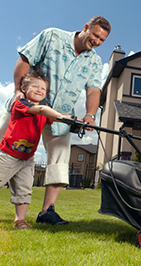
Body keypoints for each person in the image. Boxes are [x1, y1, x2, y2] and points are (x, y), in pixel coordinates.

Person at [3, 16, 111, 225]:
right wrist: (18, 90)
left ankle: (47, 212)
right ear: (86, 28)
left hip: (60, 116)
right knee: (2, 140)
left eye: (102, 40)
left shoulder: (94, 61)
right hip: (28, 107)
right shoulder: (52, 36)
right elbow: (25, 58)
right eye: (95, 35)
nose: (97, 41)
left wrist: (90, 114)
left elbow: (93, 90)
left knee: (60, 159)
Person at [0, 71, 70, 228]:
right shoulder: (21, 103)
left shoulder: (43, 111)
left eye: (43, 89)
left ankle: (20, 220)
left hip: (27, 159)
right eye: (35, 87)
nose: (39, 90)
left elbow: (54, 117)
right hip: (8, 155)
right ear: (24, 89)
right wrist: (61, 116)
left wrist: (76, 121)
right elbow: (43, 111)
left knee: (24, 190)